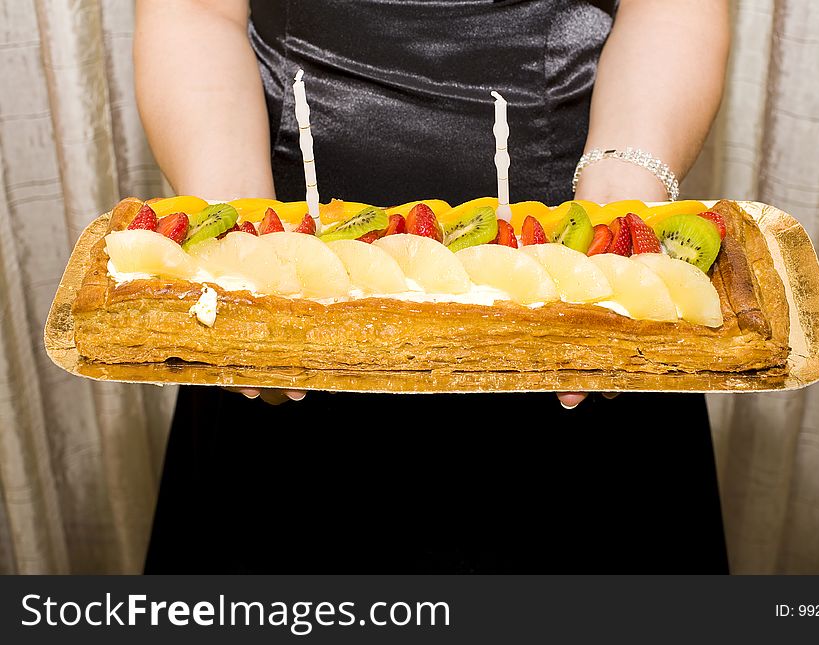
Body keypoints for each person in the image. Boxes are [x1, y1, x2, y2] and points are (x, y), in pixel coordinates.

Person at [136, 0, 731, 573]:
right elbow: (193, 9)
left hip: (569, 257)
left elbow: (671, 6)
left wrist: (614, 230)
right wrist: (244, 252)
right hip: (287, 250)